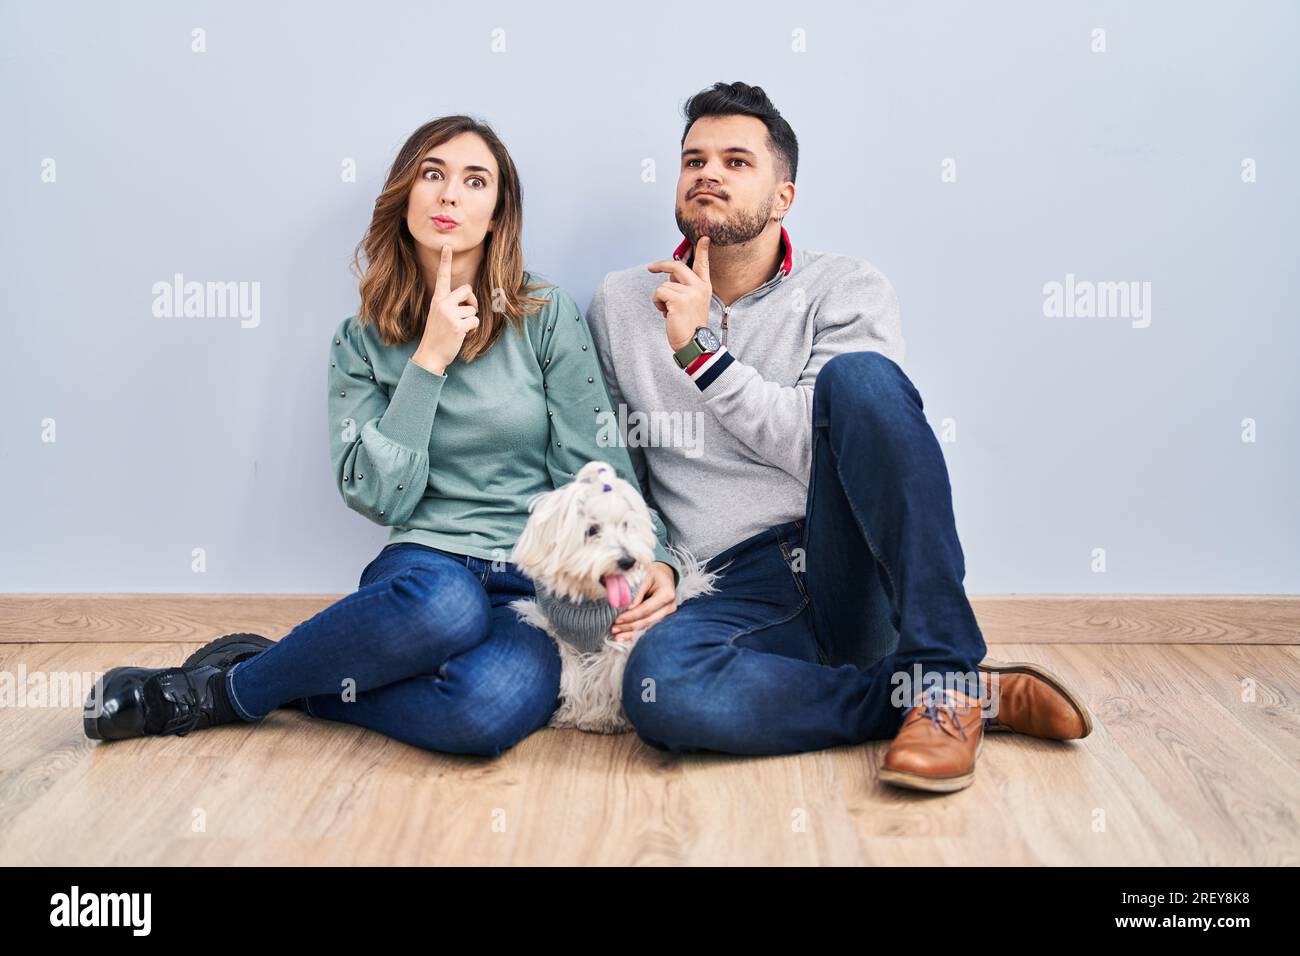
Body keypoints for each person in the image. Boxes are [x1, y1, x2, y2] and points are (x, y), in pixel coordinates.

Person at [83, 115, 680, 755]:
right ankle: (215, 694)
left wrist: (659, 557)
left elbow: (598, 469)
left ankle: (291, 677)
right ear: (405, 194)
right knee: (448, 609)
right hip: (426, 569)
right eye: (433, 174)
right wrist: (428, 360)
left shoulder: (544, 315)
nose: (451, 194)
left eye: (475, 181)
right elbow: (377, 497)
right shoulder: (359, 340)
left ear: (497, 212)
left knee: (486, 713)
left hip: (530, 580)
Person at [586, 82, 1092, 793]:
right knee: (661, 691)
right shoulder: (621, 303)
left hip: (844, 561)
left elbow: (813, 443)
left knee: (860, 381)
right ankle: (927, 698)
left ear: (783, 197)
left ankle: (942, 676)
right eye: (694, 159)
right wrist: (658, 559)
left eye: (736, 161)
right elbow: (619, 465)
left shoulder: (846, 287)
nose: (709, 173)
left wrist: (701, 354)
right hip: (728, 583)